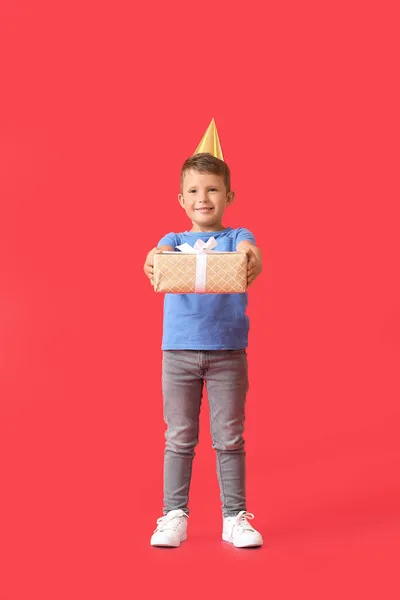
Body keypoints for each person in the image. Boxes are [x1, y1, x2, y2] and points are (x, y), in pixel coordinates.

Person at [143, 121, 263, 548]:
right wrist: (152, 261)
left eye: (212, 190)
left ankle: (234, 517)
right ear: (180, 199)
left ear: (228, 196)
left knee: (230, 437)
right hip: (177, 352)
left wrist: (250, 258)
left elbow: (253, 255)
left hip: (228, 351)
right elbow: (154, 260)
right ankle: (173, 515)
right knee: (178, 436)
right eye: (194, 191)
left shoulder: (237, 237)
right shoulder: (172, 240)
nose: (203, 198)